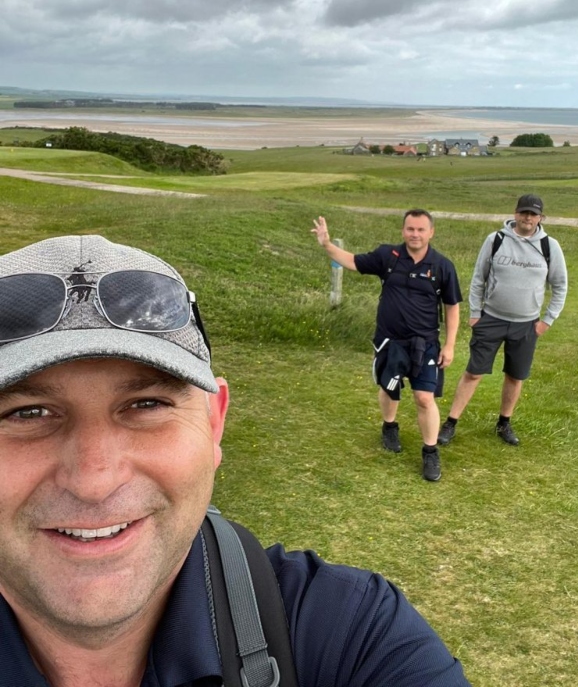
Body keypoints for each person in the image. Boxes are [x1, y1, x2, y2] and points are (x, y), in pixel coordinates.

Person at [0, 234, 471, 686]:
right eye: (27, 413)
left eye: (147, 405)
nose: (94, 480)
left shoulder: (351, 631)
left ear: (214, 422)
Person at [312, 210, 462, 482]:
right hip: (389, 342)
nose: (414, 234)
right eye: (410, 229)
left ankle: (430, 451)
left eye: (420, 229)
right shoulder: (387, 257)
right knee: (389, 388)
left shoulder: (442, 266)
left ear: (431, 232)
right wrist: (326, 244)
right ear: (403, 230)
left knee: (424, 398)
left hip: (425, 344)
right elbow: (352, 261)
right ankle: (389, 426)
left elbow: (452, 308)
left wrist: (449, 345)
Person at [438, 194, 568, 447]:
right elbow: (479, 278)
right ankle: (451, 422)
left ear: (541, 218)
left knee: (515, 376)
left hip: (527, 324)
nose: (527, 218)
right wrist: (476, 313)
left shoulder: (549, 246)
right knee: (473, 373)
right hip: (491, 320)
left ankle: (504, 423)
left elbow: (560, 285)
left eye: (533, 214)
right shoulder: (495, 240)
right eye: (524, 212)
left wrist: (547, 320)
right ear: (515, 213)